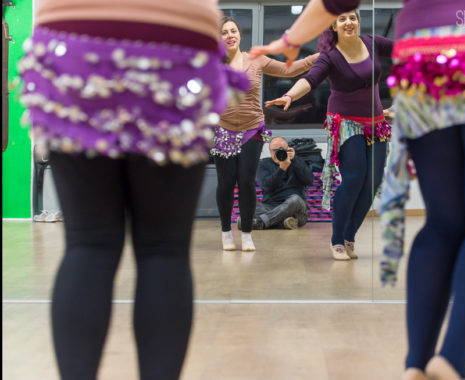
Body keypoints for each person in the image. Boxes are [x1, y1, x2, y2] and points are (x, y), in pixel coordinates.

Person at [251, 0, 465, 379]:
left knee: (442, 222)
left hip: (426, 43)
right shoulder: (332, 54)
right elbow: (316, 70)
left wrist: (290, 38)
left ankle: (415, 364)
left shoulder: (370, 39)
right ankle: (450, 360)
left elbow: (337, 3)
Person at [18, 1, 249, 379]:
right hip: (177, 46)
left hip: (73, 38)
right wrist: (293, 39)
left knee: (88, 244)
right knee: (164, 249)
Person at [261, 10, 393, 261]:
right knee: (354, 178)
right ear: (333, 26)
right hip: (346, 124)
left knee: (372, 182)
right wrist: (290, 95)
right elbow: (310, 80)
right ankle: (337, 240)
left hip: (376, 124)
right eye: (342, 19)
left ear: (358, 21)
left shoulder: (373, 43)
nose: (348, 22)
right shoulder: (330, 56)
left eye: (352, 17)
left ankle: (349, 234)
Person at [214, 17, 318, 252]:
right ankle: (226, 231)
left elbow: (288, 69)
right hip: (224, 129)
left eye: (233, 30)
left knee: (247, 182)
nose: (229, 35)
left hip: (252, 128)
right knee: (226, 183)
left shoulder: (256, 60)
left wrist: (318, 57)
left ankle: (248, 233)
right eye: (224, 32)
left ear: (240, 35)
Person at [249, 136, 313, 230]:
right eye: (274, 150)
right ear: (270, 151)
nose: (277, 153)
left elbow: (309, 180)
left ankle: (260, 222)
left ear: (288, 149)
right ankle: (285, 223)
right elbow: (267, 186)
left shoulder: (297, 161)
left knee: (295, 200)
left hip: (294, 208)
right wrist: (281, 169)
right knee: (251, 205)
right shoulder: (263, 164)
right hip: (271, 206)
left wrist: (295, 161)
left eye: (281, 150)